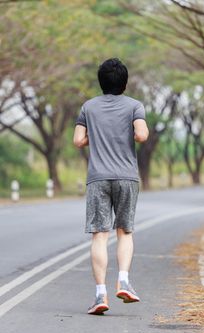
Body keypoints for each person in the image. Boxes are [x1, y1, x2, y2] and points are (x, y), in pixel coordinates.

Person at [73, 58, 149, 315]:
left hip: (98, 177)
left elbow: (78, 140)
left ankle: (100, 295)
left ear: (101, 82)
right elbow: (142, 135)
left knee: (99, 235)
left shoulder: (88, 107)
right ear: (125, 83)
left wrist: (95, 136)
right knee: (124, 231)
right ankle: (124, 280)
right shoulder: (135, 106)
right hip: (127, 177)